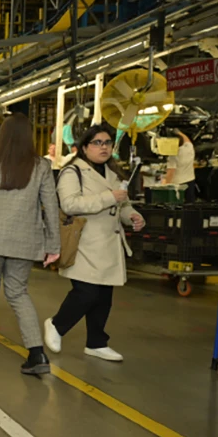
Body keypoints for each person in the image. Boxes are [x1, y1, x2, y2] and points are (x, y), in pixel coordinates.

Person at [0, 113, 61, 375]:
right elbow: (50, 207)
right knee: (18, 293)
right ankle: (37, 354)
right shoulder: (41, 165)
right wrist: (53, 244)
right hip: (24, 239)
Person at [44, 124, 145, 362]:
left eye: (107, 143)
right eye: (97, 143)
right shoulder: (73, 172)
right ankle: (57, 324)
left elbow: (121, 205)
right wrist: (108, 197)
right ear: (84, 147)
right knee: (86, 292)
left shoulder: (113, 173)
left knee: (103, 296)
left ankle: (96, 342)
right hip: (84, 243)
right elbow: (69, 204)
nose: (103, 147)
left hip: (109, 243)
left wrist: (132, 216)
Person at [163, 129, 196, 202]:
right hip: (190, 180)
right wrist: (179, 132)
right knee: (190, 204)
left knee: (179, 205)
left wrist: (164, 186)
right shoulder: (189, 148)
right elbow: (187, 140)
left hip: (178, 184)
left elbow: (171, 172)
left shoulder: (173, 155)